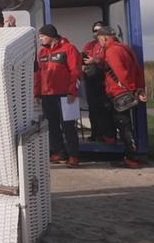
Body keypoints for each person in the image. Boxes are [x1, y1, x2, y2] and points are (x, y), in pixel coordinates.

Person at [95, 26, 148, 169]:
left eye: (99, 40)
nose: (99, 43)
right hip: (127, 91)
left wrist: (131, 89)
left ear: (104, 38)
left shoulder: (111, 51)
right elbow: (137, 69)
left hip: (119, 93)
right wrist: (139, 88)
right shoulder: (125, 48)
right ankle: (114, 141)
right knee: (122, 122)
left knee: (124, 126)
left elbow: (120, 73)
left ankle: (132, 158)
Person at [34, 24, 83, 168]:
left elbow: (76, 71)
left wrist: (72, 91)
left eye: (42, 36)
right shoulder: (42, 52)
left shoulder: (69, 49)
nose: (40, 39)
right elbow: (38, 75)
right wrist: (37, 92)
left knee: (68, 126)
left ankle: (74, 155)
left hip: (65, 95)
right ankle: (59, 153)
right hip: (47, 95)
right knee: (52, 125)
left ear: (51, 36)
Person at [81, 21, 115, 143]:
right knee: (93, 109)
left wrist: (95, 60)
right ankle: (96, 133)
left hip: (104, 80)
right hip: (90, 80)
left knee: (105, 109)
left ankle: (108, 135)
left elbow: (111, 62)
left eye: (99, 30)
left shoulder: (110, 45)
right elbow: (83, 58)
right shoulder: (90, 45)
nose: (97, 33)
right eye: (95, 30)